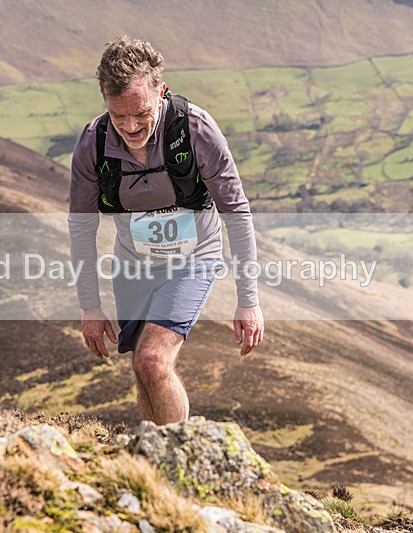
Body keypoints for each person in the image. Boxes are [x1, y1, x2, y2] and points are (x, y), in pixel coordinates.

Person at [68, 36, 264, 425]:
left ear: (160, 91)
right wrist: (90, 306)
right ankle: (156, 459)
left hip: (195, 257)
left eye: (140, 112)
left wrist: (248, 299)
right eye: (118, 115)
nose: (130, 126)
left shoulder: (195, 129)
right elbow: (81, 226)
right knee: (144, 370)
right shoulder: (94, 143)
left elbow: (236, 212)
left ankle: (182, 457)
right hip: (134, 265)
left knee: (153, 360)